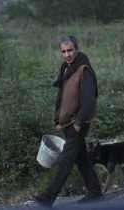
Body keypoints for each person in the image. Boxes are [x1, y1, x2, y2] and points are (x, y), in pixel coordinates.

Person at [30, 36, 103, 208]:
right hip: (68, 122)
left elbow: (88, 100)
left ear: (76, 49)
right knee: (81, 157)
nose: (67, 54)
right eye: (63, 51)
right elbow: (62, 96)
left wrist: (78, 123)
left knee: (66, 159)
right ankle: (95, 191)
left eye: (70, 50)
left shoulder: (83, 70)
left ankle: (48, 197)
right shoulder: (67, 68)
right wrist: (58, 119)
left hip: (78, 123)